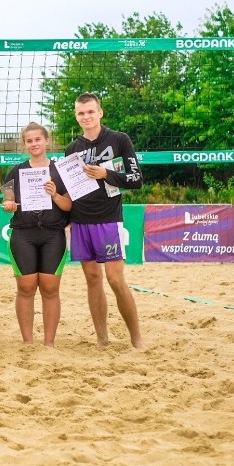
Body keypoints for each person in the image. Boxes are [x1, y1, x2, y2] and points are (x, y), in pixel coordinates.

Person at [65, 93, 145, 349]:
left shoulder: (119, 140)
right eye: (81, 113)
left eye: (90, 112)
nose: (86, 117)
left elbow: (137, 179)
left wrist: (105, 174)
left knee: (115, 279)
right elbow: (68, 190)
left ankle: (136, 339)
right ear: (76, 117)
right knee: (92, 279)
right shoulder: (72, 148)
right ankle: (102, 339)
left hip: (108, 219)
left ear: (100, 113)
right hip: (80, 220)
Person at [1, 122, 72, 347]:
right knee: (26, 287)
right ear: (25, 144)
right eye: (29, 141)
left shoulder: (60, 171)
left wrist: (55, 196)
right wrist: (9, 205)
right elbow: (7, 197)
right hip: (24, 233)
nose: (34, 144)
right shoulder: (16, 171)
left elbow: (69, 205)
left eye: (38, 139)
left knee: (50, 288)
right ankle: (28, 342)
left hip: (53, 234)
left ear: (46, 141)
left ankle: (49, 343)